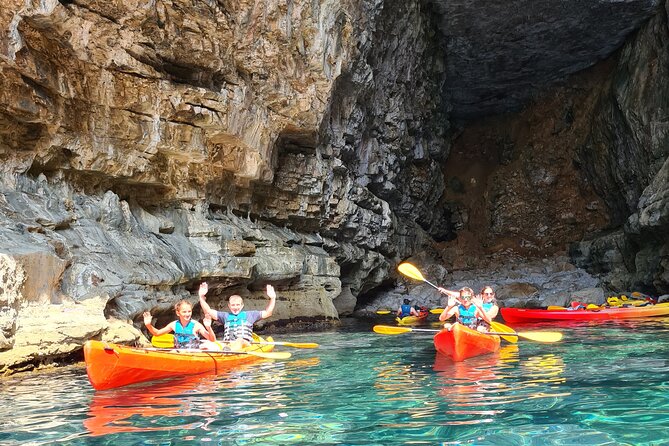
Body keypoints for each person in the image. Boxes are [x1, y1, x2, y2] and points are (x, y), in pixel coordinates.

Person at [198, 281, 277, 346]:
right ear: (229, 306)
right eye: (233, 305)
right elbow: (208, 311)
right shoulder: (225, 316)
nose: (235, 307)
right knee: (206, 344)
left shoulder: (250, 315)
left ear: (242, 305)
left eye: (237, 305)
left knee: (239, 341)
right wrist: (201, 296)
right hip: (229, 345)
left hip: (245, 344)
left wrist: (272, 298)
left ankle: (229, 352)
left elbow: (268, 313)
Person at [143, 300, 216, 349]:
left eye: (189, 311)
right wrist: (148, 325)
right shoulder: (174, 325)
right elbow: (157, 333)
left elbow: (212, 339)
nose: (187, 314)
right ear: (178, 313)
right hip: (178, 353)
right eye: (184, 312)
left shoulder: (196, 325)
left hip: (193, 354)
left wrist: (208, 327)